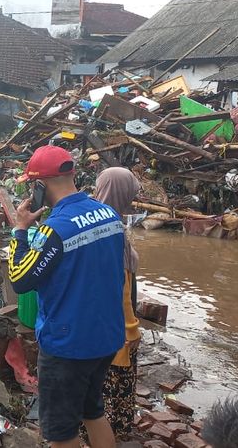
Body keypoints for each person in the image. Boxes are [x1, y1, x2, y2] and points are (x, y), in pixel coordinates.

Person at [7, 145, 125, 448]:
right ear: (72, 174)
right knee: (92, 411)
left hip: (68, 345)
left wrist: (20, 230)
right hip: (106, 337)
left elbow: (20, 280)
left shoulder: (54, 230)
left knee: (61, 432)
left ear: (39, 186)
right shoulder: (109, 214)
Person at [93, 167, 142, 440]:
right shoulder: (114, 231)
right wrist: (131, 328)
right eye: (131, 192)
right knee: (117, 381)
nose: (134, 198)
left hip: (97, 322)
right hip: (116, 325)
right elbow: (122, 287)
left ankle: (93, 430)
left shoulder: (93, 224)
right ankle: (116, 432)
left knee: (95, 381)